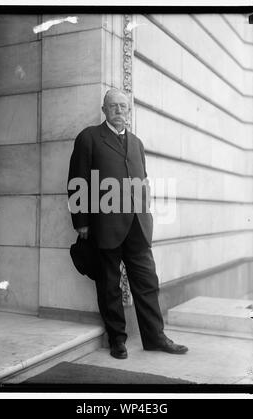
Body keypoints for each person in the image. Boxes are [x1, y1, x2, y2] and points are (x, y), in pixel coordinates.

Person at [67, 88, 188, 359]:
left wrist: (148, 214)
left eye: (123, 106)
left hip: (137, 226)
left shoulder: (136, 143)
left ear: (129, 110)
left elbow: (142, 182)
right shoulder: (89, 138)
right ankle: (117, 340)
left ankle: (155, 337)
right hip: (105, 225)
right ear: (104, 110)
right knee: (109, 284)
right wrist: (81, 223)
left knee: (147, 281)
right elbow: (77, 181)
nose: (118, 110)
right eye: (113, 106)